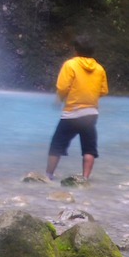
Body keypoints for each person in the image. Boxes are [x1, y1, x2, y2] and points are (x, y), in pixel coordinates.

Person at [46, 34, 108, 181]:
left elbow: (62, 87)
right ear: (93, 51)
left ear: (75, 50)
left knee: (57, 145)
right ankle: (85, 178)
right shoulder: (99, 69)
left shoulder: (70, 65)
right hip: (91, 113)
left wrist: (60, 99)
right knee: (89, 148)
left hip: (72, 113)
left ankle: (49, 175)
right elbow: (103, 91)